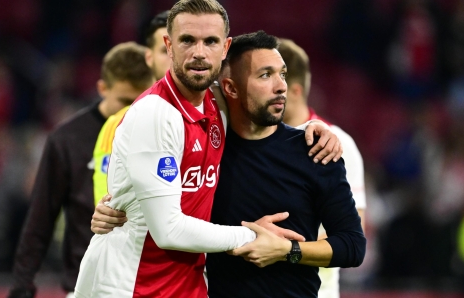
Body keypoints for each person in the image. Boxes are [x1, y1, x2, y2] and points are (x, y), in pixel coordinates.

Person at [75, 1, 342, 297]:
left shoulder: (217, 103)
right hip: (129, 284)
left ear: (225, 47)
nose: (199, 52)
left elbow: (263, 112)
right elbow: (168, 230)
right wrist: (252, 234)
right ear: (169, 45)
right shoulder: (155, 114)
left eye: (210, 41)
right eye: (187, 40)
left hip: (187, 285)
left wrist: (314, 129)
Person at [204, 30, 365, 298]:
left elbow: (353, 245)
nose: (281, 86)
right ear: (231, 88)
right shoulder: (207, 152)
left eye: (283, 74)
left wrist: (288, 251)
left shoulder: (315, 150)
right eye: (265, 75)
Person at [7, 42, 155, 298]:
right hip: (86, 285)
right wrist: (22, 287)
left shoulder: (161, 132)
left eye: (138, 100)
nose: (129, 112)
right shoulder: (67, 140)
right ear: (102, 89)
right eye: (123, 101)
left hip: (145, 282)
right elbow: (40, 220)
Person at [278, 37, 367, 298]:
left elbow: (353, 229)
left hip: (317, 291)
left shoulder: (336, 145)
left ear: (294, 90)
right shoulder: (258, 141)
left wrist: (285, 248)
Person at [93, 10, 171, 205]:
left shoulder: (217, 113)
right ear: (149, 57)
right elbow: (108, 203)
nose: (174, 59)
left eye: (182, 48)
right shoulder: (117, 124)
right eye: (165, 51)